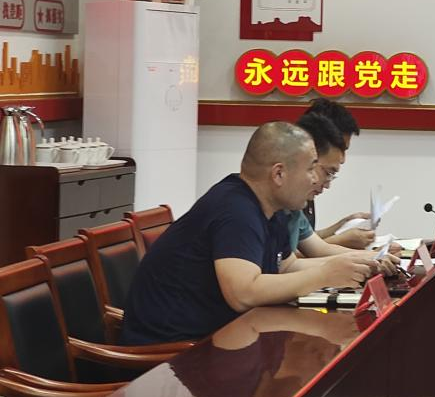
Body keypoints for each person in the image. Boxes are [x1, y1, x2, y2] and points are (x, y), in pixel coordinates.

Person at [122, 122, 376, 345]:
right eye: (311, 169)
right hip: (173, 352)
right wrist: (324, 274)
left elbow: (287, 267)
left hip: (222, 338)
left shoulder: (272, 208)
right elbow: (243, 294)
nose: (314, 180)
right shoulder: (234, 210)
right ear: (279, 174)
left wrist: (357, 262)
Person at [288, 110, 398, 275]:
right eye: (328, 172)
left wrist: (372, 257)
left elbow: (312, 245)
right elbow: (288, 264)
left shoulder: (293, 205)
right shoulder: (259, 206)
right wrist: (347, 249)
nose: (344, 159)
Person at [303, 98, 375, 249]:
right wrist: (340, 241)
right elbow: (286, 257)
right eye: (340, 148)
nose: (342, 159)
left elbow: (305, 240)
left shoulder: (307, 189)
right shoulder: (290, 192)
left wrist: (342, 225)